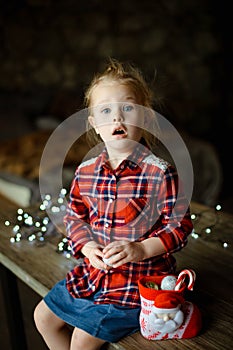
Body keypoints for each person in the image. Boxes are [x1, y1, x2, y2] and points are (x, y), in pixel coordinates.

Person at [34, 58, 193, 350]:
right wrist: (87, 247)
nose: (117, 118)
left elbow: (180, 226)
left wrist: (142, 249)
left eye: (128, 108)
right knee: (42, 317)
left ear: (145, 118)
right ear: (94, 123)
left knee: (82, 339)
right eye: (106, 111)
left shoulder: (159, 172)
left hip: (136, 282)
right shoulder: (86, 171)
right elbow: (75, 218)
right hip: (93, 274)